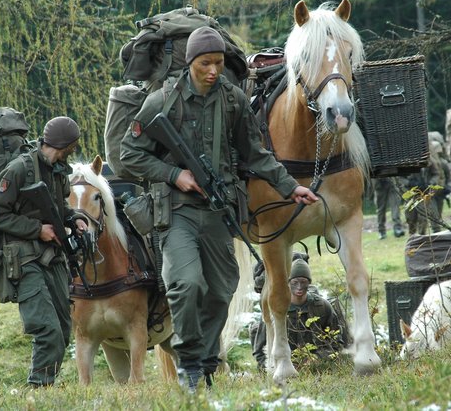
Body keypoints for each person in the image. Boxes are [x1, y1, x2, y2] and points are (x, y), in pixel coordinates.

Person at [119, 26, 318, 392]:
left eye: (219, 63)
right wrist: (173, 173)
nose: (213, 70)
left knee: (222, 288)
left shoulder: (232, 100)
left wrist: (292, 188)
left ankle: (206, 359)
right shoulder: (163, 100)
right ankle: (191, 362)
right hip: (176, 210)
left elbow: (256, 154)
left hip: (218, 209)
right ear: (190, 61)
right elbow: (129, 153)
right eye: (206, 63)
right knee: (185, 283)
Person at [0, 116, 88, 387]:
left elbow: (58, 209)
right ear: (66, 145)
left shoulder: (57, 171)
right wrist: (37, 230)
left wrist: (73, 217)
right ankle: (38, 390)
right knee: (48, 330)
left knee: (63, 330)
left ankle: (45, 386)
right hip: (24, 259)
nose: (73, 151)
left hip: (52, 257)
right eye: (72, 146)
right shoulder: (19, 169)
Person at [249, 259, 347, 371]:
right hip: (282, 368)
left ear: (309, 283)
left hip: (317, 368)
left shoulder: (322, 307)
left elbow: (336, 343)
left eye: (303, 282)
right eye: (295, 282)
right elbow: (260, 350)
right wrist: (271, 369)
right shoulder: (276, 309)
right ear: (288, 282)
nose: (299, 287)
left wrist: (317, 359)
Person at [403, 162, 441, 235]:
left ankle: (422, 236)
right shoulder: (405, 159)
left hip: (424, 192)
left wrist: (430, 183)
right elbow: (399, 177)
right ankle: (412, 236)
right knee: (410, 218)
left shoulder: (429, 160)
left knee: (424, 217)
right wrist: (409, 182)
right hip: (410, 193)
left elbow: (436, 173)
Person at [428, 138, 451, 232]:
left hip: (441, 192)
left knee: (439, 213)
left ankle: (437, 230)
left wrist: (448, 187)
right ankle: (436, 231)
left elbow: (449, 177)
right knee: (433, 214)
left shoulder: (444, 163)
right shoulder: (429, 163)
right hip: (431, 192)